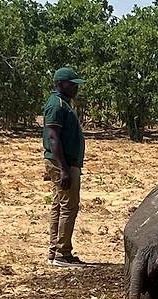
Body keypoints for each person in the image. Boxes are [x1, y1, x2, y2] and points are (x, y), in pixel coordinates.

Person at [43, 67, 87, 267]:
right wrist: (63, 168)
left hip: (65, 162)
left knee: (59, 205)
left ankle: (56, 251)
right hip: (63, 163)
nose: (75, 87)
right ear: (60, 84)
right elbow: (53, 138)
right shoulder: (56, 105)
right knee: (69, 206)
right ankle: (62, 254)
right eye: (72, 84)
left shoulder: (64, 104)